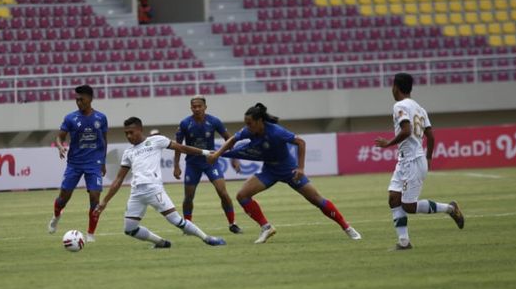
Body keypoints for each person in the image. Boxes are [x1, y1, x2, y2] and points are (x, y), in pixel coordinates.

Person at [207, 103, 361, 244]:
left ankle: (347, 227)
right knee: (242, 195)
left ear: (260, 121)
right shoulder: (249, 131)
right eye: (246, 123)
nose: (247, 127)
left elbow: (300, 142)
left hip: (288, 170)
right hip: (269, 170)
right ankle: (266, 227)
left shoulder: (276, 132)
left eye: (250, 123)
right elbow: (233, 140)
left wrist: (300, 168)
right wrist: (218, 153)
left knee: (316, 200)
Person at [94, 117, 226, 248]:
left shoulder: (156, 141)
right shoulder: (128, 152)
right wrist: (104, 201)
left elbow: (181, 148)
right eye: (126, 133)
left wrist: (206, 152)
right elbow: (118, 179)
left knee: (177, 221)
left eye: (131, 132)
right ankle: (162, 243)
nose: (129, 136)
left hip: (154, 189)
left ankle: (208, 239)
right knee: (130, 229)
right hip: (136, 194)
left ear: (140, 129)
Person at [374, 72, 464, 251]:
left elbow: (406, 130)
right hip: (407, 160)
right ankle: (404, 242)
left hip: (412, 160)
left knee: (408, 205)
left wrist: (388, 144)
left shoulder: (399, 106)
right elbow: (430, 136)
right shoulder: (419, 108)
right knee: (393, 198)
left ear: (396, 87)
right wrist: (429, 157)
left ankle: (450, 209)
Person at [173, 96, 243, 235]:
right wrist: (176, 165)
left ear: (205, 107)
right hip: (193, 164)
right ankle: (188, 226)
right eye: (194, 106)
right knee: (189, 197)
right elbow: (177, 146)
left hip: (211, 162)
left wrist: (234, 158)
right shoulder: (185, 123)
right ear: (191, 108)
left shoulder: (214, 121)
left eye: (199, 106)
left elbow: (229, 139)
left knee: (223, 192)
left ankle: (232, 223)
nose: (197, 109)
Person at [47, 84, 108, 243]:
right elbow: (59, 137)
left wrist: (103, 161)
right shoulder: (70, 118)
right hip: (74, 163)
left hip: (94, 163)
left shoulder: (101, 118)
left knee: (95, 198)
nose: (78, 102)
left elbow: (104, 140)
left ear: (90, 98)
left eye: (81, 99)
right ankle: (56, 215)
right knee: (63, 198)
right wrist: (60, 147)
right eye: (77, 99)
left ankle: (90, 234)